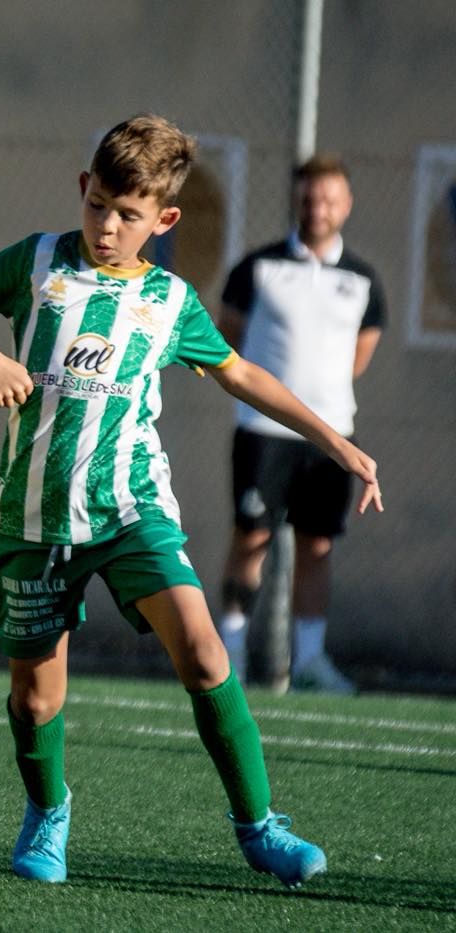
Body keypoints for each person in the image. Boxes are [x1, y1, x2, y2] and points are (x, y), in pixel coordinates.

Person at [0, 115, 381, 888]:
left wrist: (336, 441)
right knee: (34, 700)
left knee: (202, 651)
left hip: (130, 507)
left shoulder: (169, 301)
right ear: (82, 189)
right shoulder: (35, 262)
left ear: (163, 220)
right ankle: (48, 812)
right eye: (98, 205)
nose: (107, 225)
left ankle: (259, 826)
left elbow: (241, 374)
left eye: (129, 215)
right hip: (34, 513)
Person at [215, 154, 385, 694]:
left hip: (333, 439)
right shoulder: (258, 267)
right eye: (310, 198)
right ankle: (231, 654)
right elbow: (229, 338)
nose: (318, 209)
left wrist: (320, 409)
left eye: (329, 199)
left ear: (347, 204)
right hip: (263, 435)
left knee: (317, 546)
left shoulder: (364, 281)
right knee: (252, 537)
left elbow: (359, 356)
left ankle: (309, 661)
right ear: (296, 200)